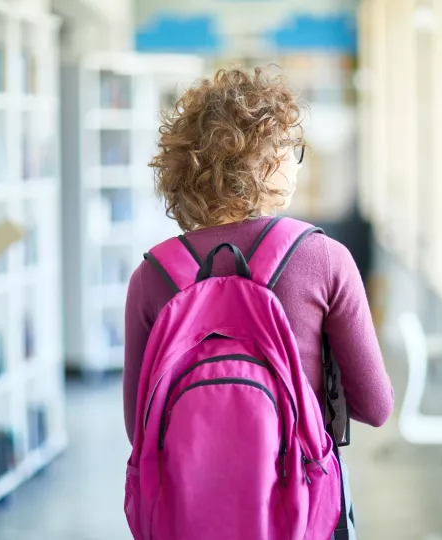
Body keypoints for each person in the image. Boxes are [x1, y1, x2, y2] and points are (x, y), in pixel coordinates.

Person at [122, 67, 394, 539]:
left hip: (190, 518)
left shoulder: (151, 277)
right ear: (263, 161)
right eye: (290, 148)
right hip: (301, 512)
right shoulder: (324, 258)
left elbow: (138, 429)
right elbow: (375, 406)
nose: (294, 160)